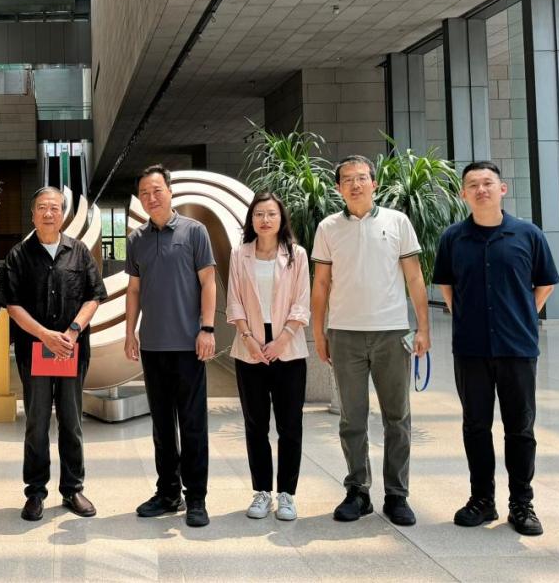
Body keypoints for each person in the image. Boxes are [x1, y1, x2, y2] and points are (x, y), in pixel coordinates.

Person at [433, 161, 559, 536]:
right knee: (476, 425)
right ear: (463, 194)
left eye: (488, 183)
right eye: (473, 184)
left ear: (502, 189)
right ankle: (482, 500)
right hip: (470, 348)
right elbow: (447, 286)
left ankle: (521, 503)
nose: (481, 189)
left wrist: (522, 315)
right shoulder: (453, 238)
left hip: (517, 347)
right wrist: (467, 318)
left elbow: (545, 283)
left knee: (520, 428)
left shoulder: (528, 234)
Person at [311, 155, 431, 527]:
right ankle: (358, 492)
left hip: (391, 332)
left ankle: (397, 494)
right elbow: (321, 284)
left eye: (361, 177)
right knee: (352, 418)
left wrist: (423, 328)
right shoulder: (328, 228)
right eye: (347, 179)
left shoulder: (397, 222)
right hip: (344, 334)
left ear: (374, 183)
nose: (355, 184)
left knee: (397, 417)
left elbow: (414, 278)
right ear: (338, 188)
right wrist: (319, 332)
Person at [4, 186, 107, 522]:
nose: (48, 213)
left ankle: (73, 489)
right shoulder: (19, 255)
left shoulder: (79, 252)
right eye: (42, 207)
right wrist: (44, 335)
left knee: (71, 422)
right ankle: (35, 492)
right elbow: (12, 305)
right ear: (32, 214)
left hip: (70, 351)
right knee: (36, 424)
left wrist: (72, 331)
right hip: (35, 351)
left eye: (54, 208)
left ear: (62, 214)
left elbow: (94, 296)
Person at [125, 164, 216, 528]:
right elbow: (134, 290)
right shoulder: (136, 239)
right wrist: (130, 332)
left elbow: (208, 282)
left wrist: (207, 329)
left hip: (189, 345)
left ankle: (196, 498)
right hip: (153, 347)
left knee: (193, 425)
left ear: (170, 191)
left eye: (157, 190)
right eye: (144, 193)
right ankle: (168, 493)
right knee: (162, 427)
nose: (151, 197)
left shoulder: (194, 231)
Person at [226, 192, 310, 521]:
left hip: (288, 351)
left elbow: (301, 301)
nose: (265, 220)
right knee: (255, 424)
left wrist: (282, 340)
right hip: (250, 351)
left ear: (281, 218)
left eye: (271, 214)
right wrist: (248, 338)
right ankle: (262, 491)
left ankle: (286, 494)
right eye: (259, 214)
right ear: (252, 219)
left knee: (290, 426)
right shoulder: (240, 254)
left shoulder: (296, 255)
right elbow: (234, 300)